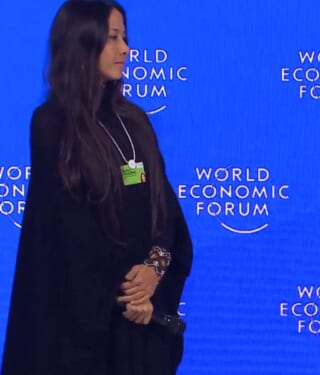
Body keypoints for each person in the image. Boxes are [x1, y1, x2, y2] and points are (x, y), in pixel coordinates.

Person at [1, 1, 193, 374]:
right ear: (82, 43)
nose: (125, 49)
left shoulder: (135, 121)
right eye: (112, 38)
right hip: (83, 332)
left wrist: (155, 269)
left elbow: (166, 211)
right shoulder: (53, 124)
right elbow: (68, 235)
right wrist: (126, 296)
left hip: (143, 322)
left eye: (125, 37)